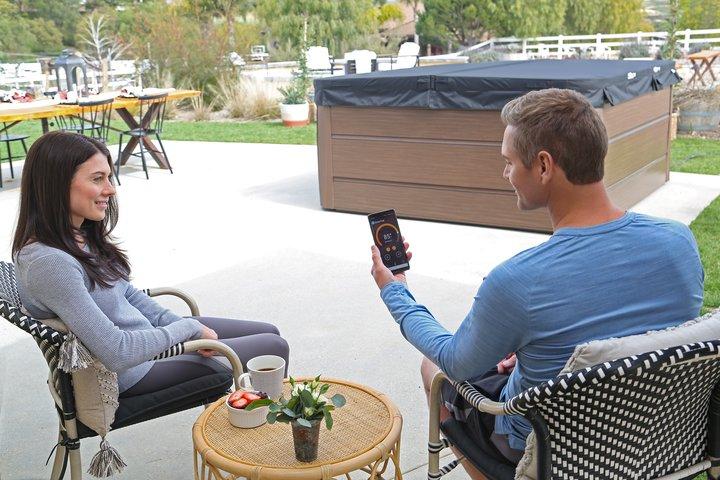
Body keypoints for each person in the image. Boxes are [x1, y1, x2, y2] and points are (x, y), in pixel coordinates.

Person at [370, 88, 704, 478]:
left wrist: (396, 291)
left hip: (546, 453)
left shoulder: (519, 281)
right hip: (654, 440)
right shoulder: (678, 243)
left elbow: (456, 360)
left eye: (509, 162)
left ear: (544, 166)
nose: (506, 174)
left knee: (434, 369)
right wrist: (537, 352)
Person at [13, 131, 289, 397]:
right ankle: (260, 433)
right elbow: (117, 351)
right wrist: (186, 331)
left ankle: (256, 423)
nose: (110, 190)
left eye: (109, 177)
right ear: (57, 185)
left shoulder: (76, 235)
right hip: (134, 370)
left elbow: (128, 295)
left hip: (149, 342)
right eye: (98, 179)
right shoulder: (50, 263)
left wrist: (176, 325)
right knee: (273, 346)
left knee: (269, 332)